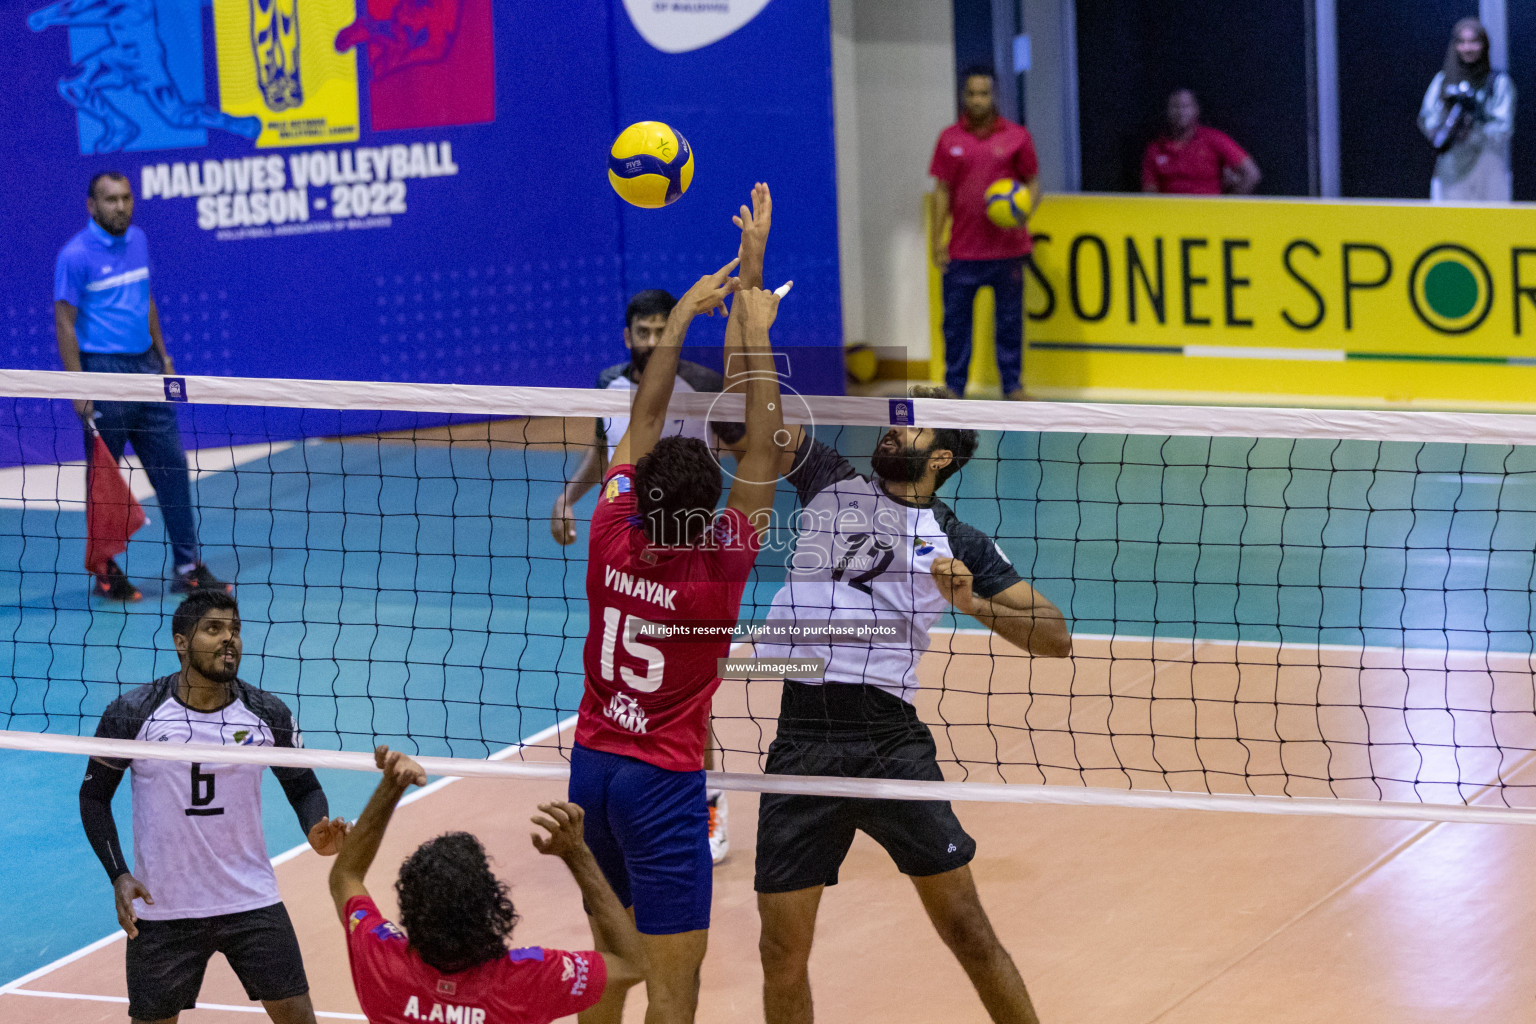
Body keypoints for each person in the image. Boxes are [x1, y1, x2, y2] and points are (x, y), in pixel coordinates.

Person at [751, 392, 1073, 1024]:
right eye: (894, 425)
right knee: (779, 949)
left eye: (912, 429)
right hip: (801, 737)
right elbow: (764, 419)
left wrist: (975, 605)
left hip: (886, 742)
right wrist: (754, 319)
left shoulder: (957, 540)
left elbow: (1056, 636)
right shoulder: (829, 481)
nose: (894, 435)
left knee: (967, 931)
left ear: (942, 457)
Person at [570, 184, 784, 1024]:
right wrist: (756, 327)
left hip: (592, 764)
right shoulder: (716, 571)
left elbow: (647, 413)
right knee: (674, 987)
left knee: (609, 969)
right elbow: (763, 444)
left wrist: (692, 310)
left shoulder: (611, 529)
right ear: (708, 516)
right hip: (661, 784)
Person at [77, 591, 349, 1024]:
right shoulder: (132, 714)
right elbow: (93, 797)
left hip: (251, 900)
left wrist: (313, 824)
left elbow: (303, 787)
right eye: (214, 629)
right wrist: (119, 874)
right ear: (181, 641)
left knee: (300, 1018)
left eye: (235, 630)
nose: (230, 640)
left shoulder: (266, 713)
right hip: (164, 909)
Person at [549, 289, 736, 866]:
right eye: (644, 332)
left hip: (673, 550)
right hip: (649, 538)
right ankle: (692, 800)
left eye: (664, 329)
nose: (653, 341)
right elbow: (606, 452)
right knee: (682, 689)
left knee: (688, 691)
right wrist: (567, 497)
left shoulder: (703, 383)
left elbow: (741, 444)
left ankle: (709, 801)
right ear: (628, 335)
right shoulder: (608, 384)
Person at [328, 746, 646, 1024]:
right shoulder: (528, 978)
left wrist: (392, 785)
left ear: (411, 909)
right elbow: (631, 964)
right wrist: (578, 856)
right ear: (492, 907)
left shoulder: (381, 961)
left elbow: (346, 875)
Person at [55, 171, 233, 601]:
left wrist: (165, 355)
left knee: (172, 468)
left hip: (147, 371)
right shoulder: (75, 255)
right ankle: (106, 569)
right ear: (91, 206)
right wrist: (79, 386)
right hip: (102, 372)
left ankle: (188, 567)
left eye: (126, 198)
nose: (121, 206)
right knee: (105, 482)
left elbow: (145, 297)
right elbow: (64, 321)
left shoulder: (139, 241)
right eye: (111, 199)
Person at [930, 66, 1040, 401]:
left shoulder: (1017, 136)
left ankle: (1013, 386)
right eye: (972, 93)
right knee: (955, 324)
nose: (978, 100)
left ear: (994, 96)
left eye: (984, 93)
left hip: (1007, 250)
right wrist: (937, 240)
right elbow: (942, 191)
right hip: (963, 251)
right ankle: (954, 386)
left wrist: (1023, 213)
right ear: (964, 96)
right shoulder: (949, 139)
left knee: (1009, 322)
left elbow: (1033, 183)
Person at [1418, 18, 1515, 203]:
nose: (1468, 48)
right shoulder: (1443, 81)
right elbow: (1427, 118)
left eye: (1474, 42)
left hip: (1488, 167)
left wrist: (1475, 129)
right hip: (1452, 168)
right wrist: (1449, 129)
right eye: (1462, 42)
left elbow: (1504, 127)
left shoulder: (1498, 84)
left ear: (1483, 45)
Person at [1141, 89, 1261, 196]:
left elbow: (1252, 174)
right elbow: (1150, 192)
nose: (1181, 112)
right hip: (1171, 214)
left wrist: (1228, 206)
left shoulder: (1214, 139)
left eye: (1186, 106)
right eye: (1175, 106)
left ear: (1196, 110)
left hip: (1209, 214)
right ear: (1167, 111)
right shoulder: (1155, 148)